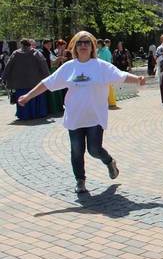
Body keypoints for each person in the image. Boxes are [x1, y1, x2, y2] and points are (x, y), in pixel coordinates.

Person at [17, 31, 145, 193]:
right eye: (80, 43)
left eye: (86, 42)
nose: (83, 45)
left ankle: (109, 162)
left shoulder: (101, 66)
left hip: (95, 117)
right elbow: (47, 83)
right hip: (75, 118)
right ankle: (80, 181)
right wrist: (28, 96)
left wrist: (138, 80)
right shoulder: (69, 67)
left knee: (94, 149)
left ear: (92, 46)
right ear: (75, 47)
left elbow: (121, 75)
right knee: (77, 150)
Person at [2, 38, 49, 120]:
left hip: (20, 83)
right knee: (35, 97)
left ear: (21, 45)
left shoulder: (15, 53)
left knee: (22, 99)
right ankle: (38, 114)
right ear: (29, 44)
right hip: (35, 81)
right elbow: (43, 65)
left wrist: (4, 77)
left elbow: (8, 66)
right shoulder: (36, 52)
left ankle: (24, 115)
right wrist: (48, 77)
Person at [97, 39, 117, 107]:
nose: (96, 45)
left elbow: (109, 61)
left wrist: (108, 70)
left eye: (97, 44)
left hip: (105, 71)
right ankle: (102, 102)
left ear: (100, 44)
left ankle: (112, 102)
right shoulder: (97, 51)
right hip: (99, 71)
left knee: (109, 87)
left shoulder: (106, 51)